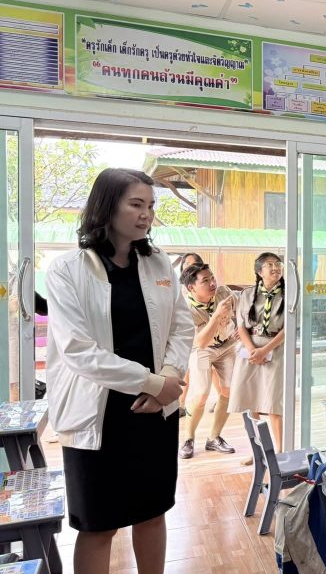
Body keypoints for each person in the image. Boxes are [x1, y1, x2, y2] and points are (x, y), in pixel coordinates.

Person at [45, 168, 193, 574]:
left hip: (154, 410)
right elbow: (78, 350)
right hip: (97, 416)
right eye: (136, 204)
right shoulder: (67, 269)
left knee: (153, 513)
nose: (146, 214)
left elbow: (182, 325)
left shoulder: (158, 263)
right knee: (98, 526)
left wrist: (169, 375)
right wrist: (156, 383)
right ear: (107, 206)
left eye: (151, 206)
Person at [178, 262, 237, 459]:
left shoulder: (224, 293)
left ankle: (214, 437)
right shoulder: (185, 309)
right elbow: (201, 342)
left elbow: (244, 310)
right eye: (205, 281)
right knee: (201, 393)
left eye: (212, 278)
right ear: (191, 287)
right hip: (201, 349)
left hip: (227, 345)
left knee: (229, 390)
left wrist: (243, 327)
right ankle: (188, 439)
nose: (213, 283)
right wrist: (217, 315)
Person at [228, 252, 286, 450]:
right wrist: (254, 350)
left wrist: (265, 350)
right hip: (249, 351)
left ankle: (280, 452)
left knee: (274, 403)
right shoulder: (246, 294)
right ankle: (258, 452)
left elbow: (288, 330)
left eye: (277, 264)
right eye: (270, 264)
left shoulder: (289, 295)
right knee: (250, 401)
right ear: (260, 271)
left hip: (275, 350)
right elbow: (241, 326)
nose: (275, 268)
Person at [176, 252, 204, 417]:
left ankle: (223, 398)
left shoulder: (203, 283)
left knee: (212, 369)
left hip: (201, 332)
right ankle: (181, 403)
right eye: (186, 263)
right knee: (184, 368)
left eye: (192, 264)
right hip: (183, 332)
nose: (188, 266)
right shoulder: (178, 286)